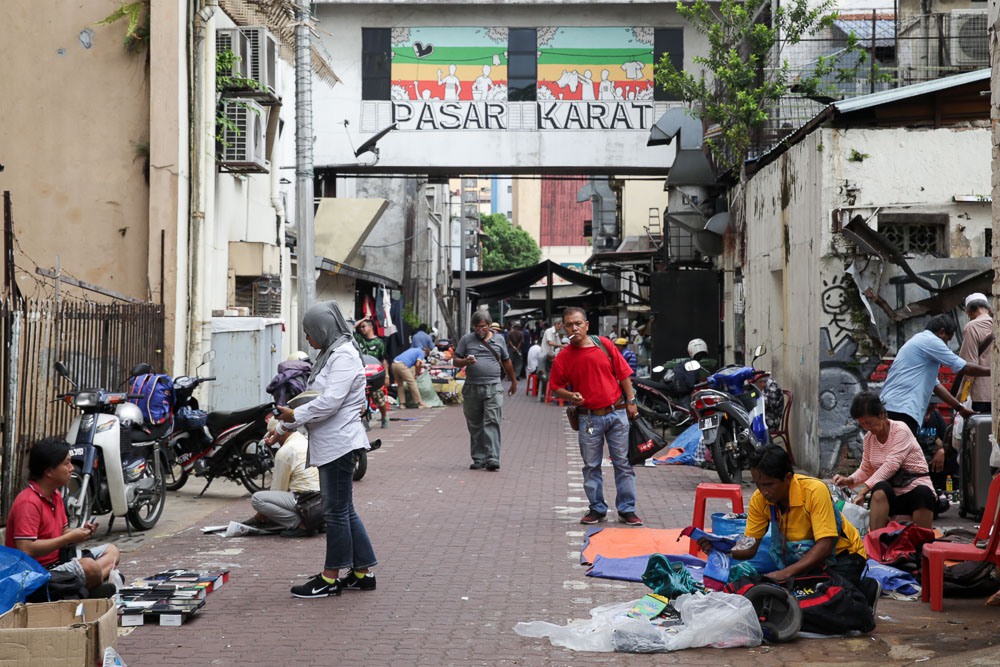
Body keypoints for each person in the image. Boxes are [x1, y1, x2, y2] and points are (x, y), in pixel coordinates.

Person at [271, 300, 377, 598]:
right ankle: (362, 572)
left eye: (309, 332)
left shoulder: (343, 355)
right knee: (344, 510)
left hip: (339, 444)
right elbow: (312, 399)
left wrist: (293, 417)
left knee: (335, 512)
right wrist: (282, 428)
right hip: (333, 442)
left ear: (323, 329)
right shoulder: (331, 353)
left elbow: (329, 402)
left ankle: (330, 578)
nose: (307, 338)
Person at [699, 445, 869, 588]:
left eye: (769, 484)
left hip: (844, 556)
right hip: (809, 563)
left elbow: (824, 547)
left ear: (788, 478)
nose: (764, 491)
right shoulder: (760, 499)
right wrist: (722, 549)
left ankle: (867, 589)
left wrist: (784, 573)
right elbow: (750, 547)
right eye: (759, 485)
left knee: (831, 601)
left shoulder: (814, 491)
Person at [549, 307, 642, 526]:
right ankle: (597, 508)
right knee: (591, 465)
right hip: (588, 417)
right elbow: (555, 388)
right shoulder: (563, 357)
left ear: (587, 325)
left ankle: (627, 509)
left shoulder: (604, 344)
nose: (574, 328)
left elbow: (624, 374)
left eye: (578, 323)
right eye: (570, 324)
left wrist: (631, 401)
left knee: (623, 463)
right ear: (564, 328)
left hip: (617, 413)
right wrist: (571, 395)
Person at [4, 437, 120, 595]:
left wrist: (80, 532)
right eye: (66, 463)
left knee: (112, 551)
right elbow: (26, 549)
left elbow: (64, 532)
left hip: (60, 562)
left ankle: (85, 588)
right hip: (36, 573)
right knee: (90, 567)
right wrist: (68, 539)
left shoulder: (56, 495)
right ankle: (88, 587)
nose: (72, 468)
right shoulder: (28, 502)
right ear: (49, 471)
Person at [833, 392, 937, 530]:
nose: (867, 428)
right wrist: (849, 480)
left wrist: (864, 491)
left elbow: (891, 465)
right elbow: (866, 468)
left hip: (914, 492)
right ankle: (876, 543)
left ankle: (921, 544)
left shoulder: (901, 430)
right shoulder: (869, 439)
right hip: (892, 496)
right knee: (880, 489)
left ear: (882, 414)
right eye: (863, 424)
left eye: (869, 422)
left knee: (922, 492)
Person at [879, 314, 989, 436]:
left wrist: (959, 408)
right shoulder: (931, 341)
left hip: (894, 406)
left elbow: (936, 386)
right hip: (902, 408)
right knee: (900, 451)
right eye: (947, 340)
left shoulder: (919, 340)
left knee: (898, 450)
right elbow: (963, 367)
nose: (946, 345)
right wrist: (992, 372)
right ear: (941, 332)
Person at [452, 312, 518, 471]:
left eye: (483, 326)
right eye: (477, 327)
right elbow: (455, 361)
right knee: (475, 424)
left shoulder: (499, 339)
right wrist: (465, 361)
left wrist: (513, 381)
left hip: (493, 387)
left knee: (492, 421)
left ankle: (492, 457)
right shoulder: (466, 340)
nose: (480, 329)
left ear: (489, 325)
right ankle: (479, 458)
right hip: (472, 387)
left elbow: (506, 361)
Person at [246, 420, 321, 536]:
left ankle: (300, 524)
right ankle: (314, 520)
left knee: (257, 499)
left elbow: (279, 490)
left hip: (306, 499)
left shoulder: (285, 451)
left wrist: (259, 517)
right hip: (322, 500)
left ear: (280, 432)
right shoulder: (305, 440)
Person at [958, 293, 993, 413]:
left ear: (968, 312)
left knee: (981, 430)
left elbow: (969, 367)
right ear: (990, 309)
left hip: (980, 396)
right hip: (996, 394)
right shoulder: (997, 326)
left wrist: (962, 397)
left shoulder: (971, 327)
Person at [355, 318, 390, 428]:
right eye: (361, 327)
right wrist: (363, 319)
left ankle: (384, 416)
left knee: (379, 398)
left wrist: (387, 376)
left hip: (375, 374)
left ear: (371, 327)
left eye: (364, 326)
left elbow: (383, 359)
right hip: (361, 373)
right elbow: (351, 328)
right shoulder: (359, 339)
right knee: (360, 398)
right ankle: (364, 421)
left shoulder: (379, 342)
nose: (362, 328)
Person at [917, 404, 957, 493]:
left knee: (955, 456)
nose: (927, 418)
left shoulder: (936, 415)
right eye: (925, 414)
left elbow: (948, 440)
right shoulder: (909, 418)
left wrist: (943, 450)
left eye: (929, 413)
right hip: (916, 460)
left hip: (933, 460)